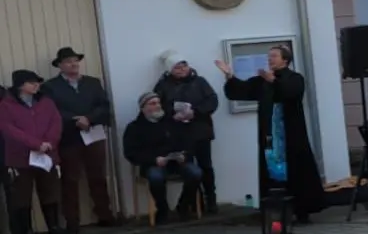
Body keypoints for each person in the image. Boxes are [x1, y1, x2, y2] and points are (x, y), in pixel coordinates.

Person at [217, 44, 325, 223]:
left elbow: (290, 93)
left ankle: (301, 210)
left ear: (285, 60)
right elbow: (241, 90)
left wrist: (273, 82)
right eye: (269, 56)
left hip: (290, 134)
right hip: (269, 136)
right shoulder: (262, 80)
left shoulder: (294, 78)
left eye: (274, 56)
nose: (270, 59)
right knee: (271, 171)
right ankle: (275, 210)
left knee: (295, 170)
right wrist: (229, 75)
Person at [42, 46, 115, 231]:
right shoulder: (50, 87)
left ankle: (104, 215)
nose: (73, 64)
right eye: (68, 61)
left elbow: (104, 106)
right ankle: (72, 221)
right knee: (70, 180)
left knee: (98, 176)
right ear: (60, 65)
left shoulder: (93, 83)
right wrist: (74, 120)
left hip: (94, 135)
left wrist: (89, 119)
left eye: (75, 60)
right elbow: (51, 111)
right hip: (69, 137)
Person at [0, 70, 66, 234]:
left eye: (37, 82)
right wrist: (36, 144)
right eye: (31, 82)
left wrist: (50, 142)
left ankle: (54, 226)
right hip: (21, 156)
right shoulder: (6, 105)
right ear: (20, 85)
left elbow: (56, 122)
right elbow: (10, 130)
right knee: (22, 194)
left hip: (46, 154)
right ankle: (26, 231)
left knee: (50, 190)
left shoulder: (47, 102)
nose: (36, 85)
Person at [153, 52, 220, 213]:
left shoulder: (200, 82)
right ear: (170, 69)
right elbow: (157, 106)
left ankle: (210, 199)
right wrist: (172, 113)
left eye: (184, 65)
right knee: (188, 168)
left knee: (206, 166)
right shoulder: (163, 85)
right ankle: (192, 203)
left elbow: (212, 101)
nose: (182, 69)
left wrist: (195, 112)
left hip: (201, 130)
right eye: (177, 67)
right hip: (178, 134)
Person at [121, 92, 203, 223]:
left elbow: (188, 142)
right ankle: (162, 209)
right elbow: (131, 153)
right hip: (153, 164)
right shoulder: (134, 128)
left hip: (177, 163)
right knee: (156, 177)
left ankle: (183, 205)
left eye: (158, 103)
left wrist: (184, 155)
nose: (157, 106)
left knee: (196, 173)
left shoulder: (172, 122)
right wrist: (154, 159)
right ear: (143, 108)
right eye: (152, 104)